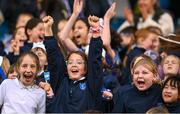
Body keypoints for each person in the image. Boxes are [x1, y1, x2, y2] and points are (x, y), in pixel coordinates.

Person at [46, 15, 103, 113]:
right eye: (70, 62)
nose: (74, 65)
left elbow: (94, 61)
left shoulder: (91, 85)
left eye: (79, 62)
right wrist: (47, 29)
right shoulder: (61, 82)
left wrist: (96, 30)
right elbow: (55, 59)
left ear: (86, 68)